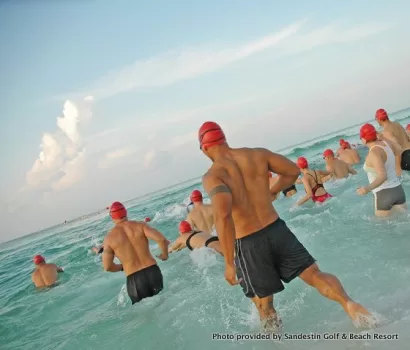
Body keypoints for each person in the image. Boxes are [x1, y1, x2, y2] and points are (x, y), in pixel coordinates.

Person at [198, 121, 371, 331]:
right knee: (315, 275)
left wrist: (228, 262)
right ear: (224, 138)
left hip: (249, 243)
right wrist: (272, 191)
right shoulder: (257, 154)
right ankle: (349, 304)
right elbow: (291, 171)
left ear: (205, 148)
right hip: (277, 229)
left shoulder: (212, 176)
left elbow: (223, 216)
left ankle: (277, 341)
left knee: (264, 304)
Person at [102, 201, 169, 304]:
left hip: (134, 280)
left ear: (112, 217)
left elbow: (107, 267)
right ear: (125, 212)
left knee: (145, 316)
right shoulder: (140, 225)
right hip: (153, 272)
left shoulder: (109, 238)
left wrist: (121, 267)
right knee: (164, 304)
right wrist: (165, 255)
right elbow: (161, 240)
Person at [356, 124, 407, 217]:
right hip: (398, 190)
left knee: (383, 228)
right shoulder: (386, 144)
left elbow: (383, 176)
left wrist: (367, 189)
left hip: (383, 194)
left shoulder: (374, 153)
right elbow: (399, 150)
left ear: (363, 139)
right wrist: (384, 138)